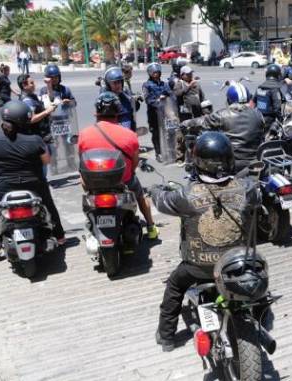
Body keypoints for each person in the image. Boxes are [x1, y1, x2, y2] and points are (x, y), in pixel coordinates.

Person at [150, 131, 259, 351]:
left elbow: (160, 201)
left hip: (198, 268)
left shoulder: (185, 195)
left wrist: (154, 189)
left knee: (174, 286)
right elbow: (257, 200)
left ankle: (167, 337)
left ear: (198, 161)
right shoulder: (246, 188)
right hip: (236, 264)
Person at [0, 100, 66, 259]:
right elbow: (46, 161)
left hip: (4, 185)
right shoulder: (35, 139)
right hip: (33, 183)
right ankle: (59, 237)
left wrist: (3, 168)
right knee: (48, 205)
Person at [78, 92, 159, 240]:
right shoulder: (129, 135)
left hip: (93, 185)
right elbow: (134, 163)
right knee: (141, 197)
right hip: (123, 182)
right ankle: (151, 227)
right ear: (118, 112)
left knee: (84, 189)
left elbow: (82, 162)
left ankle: (90, 222)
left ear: (96, 112)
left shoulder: (84, 134)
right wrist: (128, 173)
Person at [181, 82, 265, 173]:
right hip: (255, 160)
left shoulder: (222, 115)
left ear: (229, 100)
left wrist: (185, 123)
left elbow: (202, 122)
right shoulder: (258, 114)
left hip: (232, 161)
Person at [142, 62, 172, 162]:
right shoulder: (147, 85)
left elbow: (170, 94)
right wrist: (158, 100)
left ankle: (167, 151)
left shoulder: (164, 84)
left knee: (167, 132)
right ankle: (158, 153)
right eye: (154, 72)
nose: (156, 74)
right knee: (155, 134)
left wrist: (166, 97)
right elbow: (148, 99)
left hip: (165, 112)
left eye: (158, 72)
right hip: (153, 113)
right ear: (150, 73)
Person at [18, 74, 55, 139]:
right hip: (37, 137)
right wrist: (47, 111)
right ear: (24, 86)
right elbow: (32, 119)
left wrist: (49, 84)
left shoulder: (32, 96)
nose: (34, 85)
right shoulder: (27, 101)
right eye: (31, 83)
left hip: (42, 134)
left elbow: (50, 98)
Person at [102, 67, 137, 131]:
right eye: (114, 83)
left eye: (119, 82)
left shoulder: (125, 92)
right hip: (114, 127)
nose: (118, 85)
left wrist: (135, 101)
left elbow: (134, 108)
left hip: (127, 125)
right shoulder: (105, 95)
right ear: (108, 84)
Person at [254, 64, 284, 129]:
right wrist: (281, 118)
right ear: (277, 75)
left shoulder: (260, 87)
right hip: (269, 120)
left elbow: (253, 102)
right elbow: (277, 107)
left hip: (258, 118)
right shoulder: (275, 89)